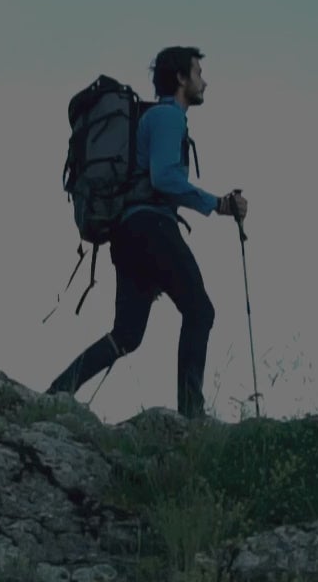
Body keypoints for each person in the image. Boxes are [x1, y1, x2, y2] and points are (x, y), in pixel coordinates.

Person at [46, 46, 248, 419]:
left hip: (127, 235)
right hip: (152, 228)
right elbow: (165, 177)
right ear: (182, 78)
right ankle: (191, 416)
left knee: (126, 335)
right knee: (200, 311)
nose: (205, 80)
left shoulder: (151, 119)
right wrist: (218, 204)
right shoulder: (169, 117)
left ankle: (57, 392)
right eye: (198, 72)